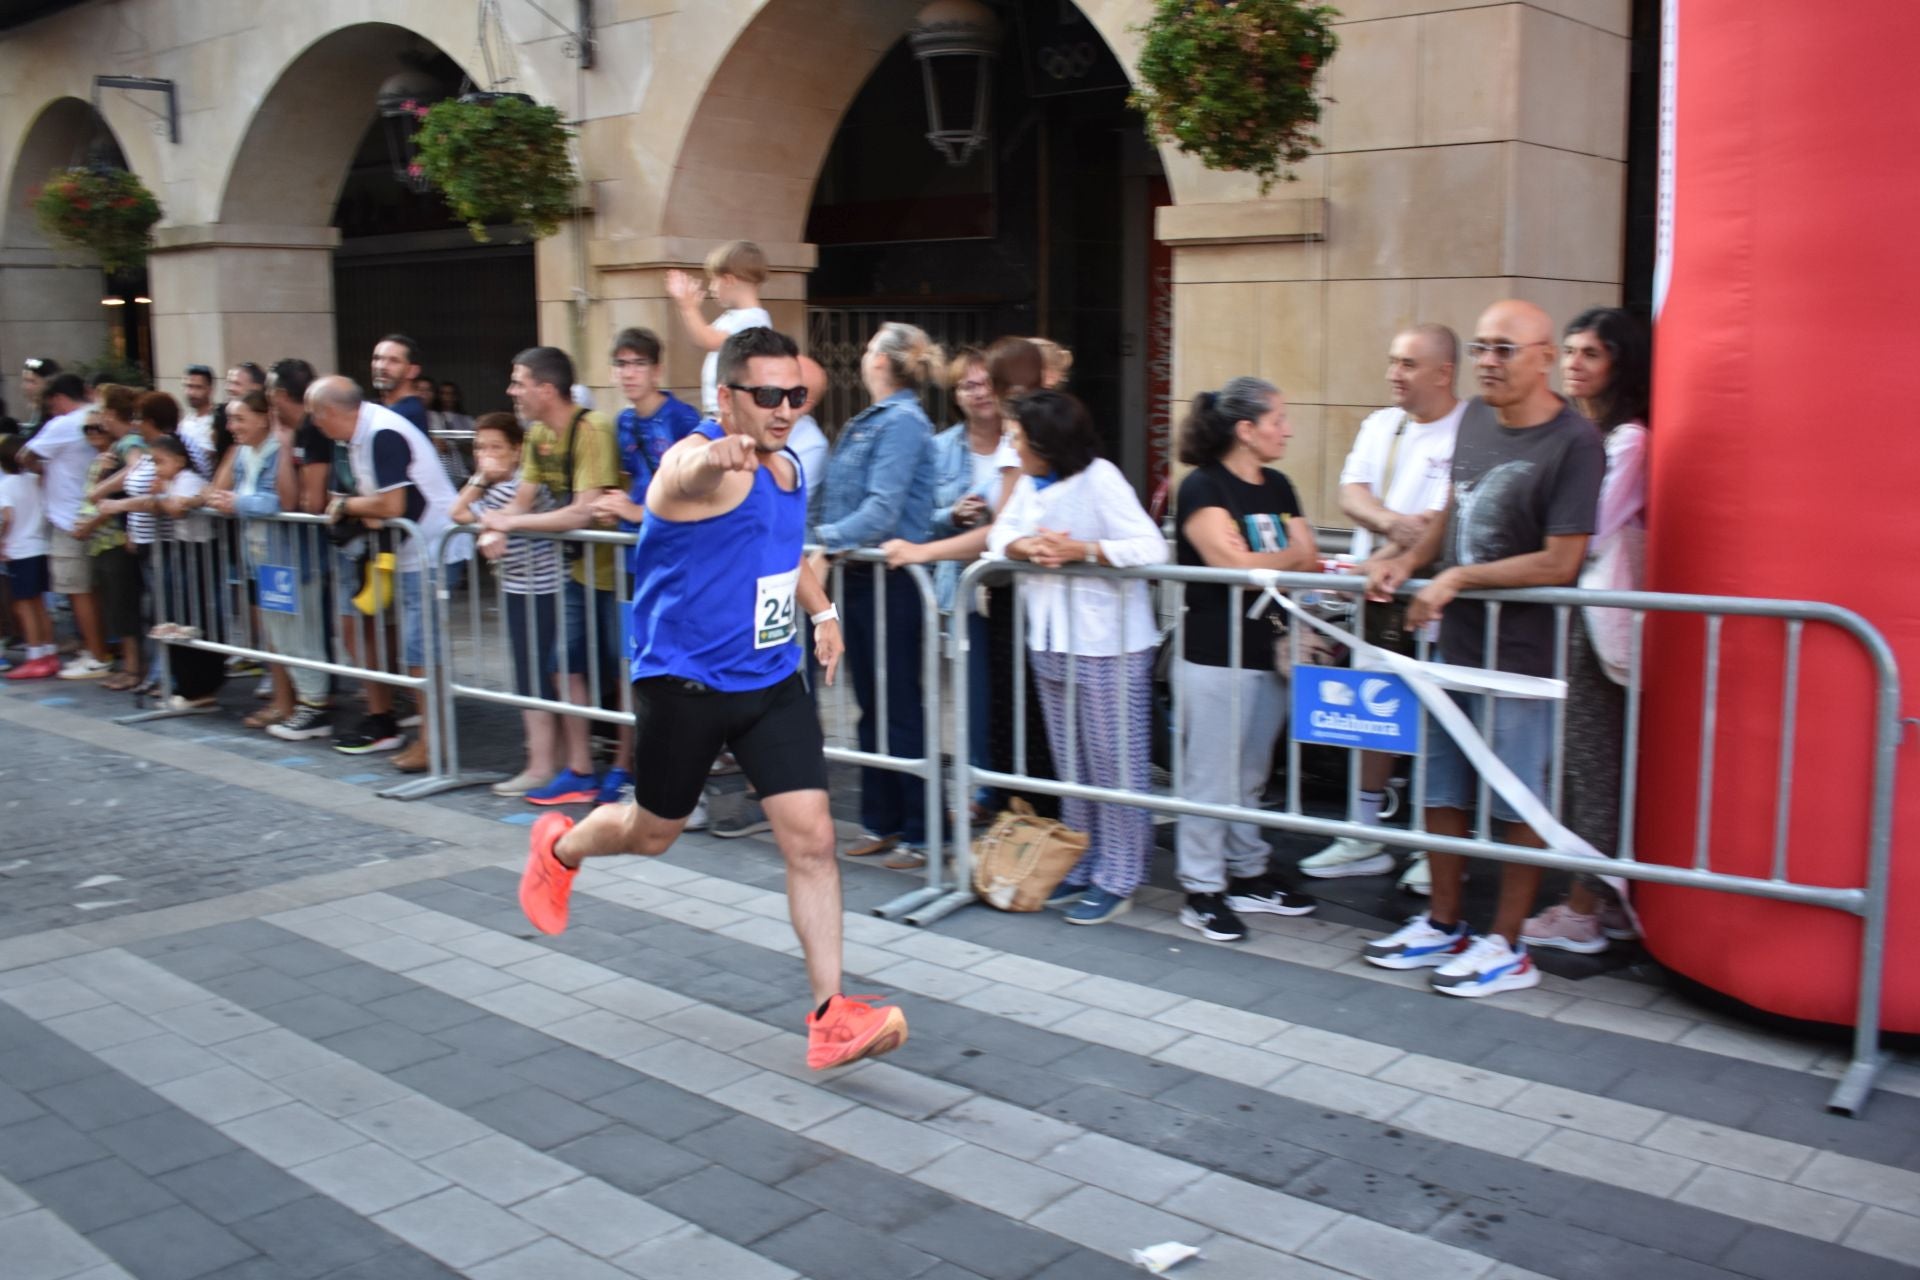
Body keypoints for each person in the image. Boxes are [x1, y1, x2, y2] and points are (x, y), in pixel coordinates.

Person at [517, 326, 905, 1073]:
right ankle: (560, 849)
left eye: (795, 394)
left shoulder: (787, 464)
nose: (785, 408)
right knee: (652, 831)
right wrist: (711, 454)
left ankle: (831, 1016)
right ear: (725, 398)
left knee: (814, 840)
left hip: (768, 682)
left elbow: (779, 549)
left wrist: (821, 614)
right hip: (685, 687)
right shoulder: (695, 461)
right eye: (766, 396)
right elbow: (678, 479)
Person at [1360, 299, 1605, 998]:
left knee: (1512, 802)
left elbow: (1560, 562)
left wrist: (1460, 576)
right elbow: (1451, 510)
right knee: (1441, 790)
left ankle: (1508, 945)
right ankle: (1443, 924)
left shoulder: (1574, 442)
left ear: (1544, 356)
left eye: (1504, 349)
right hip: (1456, 643)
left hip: (1523, 658)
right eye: (1481, 348)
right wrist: (1406, 563)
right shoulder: (1472, 420)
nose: (1490, 362)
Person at [987, 390, 1169, 924]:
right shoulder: (1029, 483)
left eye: (1019, 438)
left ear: (1048, 442)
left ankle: (1121, 875)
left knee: (1115, 764)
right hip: (1049, 639)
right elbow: (1000, 535)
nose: (1012, 447)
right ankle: (1083, 859)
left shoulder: (1101, 478)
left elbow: (1151, 546)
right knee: (1073, 767)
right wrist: (1027, 548)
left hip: (1107, 643)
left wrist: (1082, 551)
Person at [1302, 324, 1465, 894]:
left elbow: (1444, 523)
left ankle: (1433, 845)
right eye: (1393, 361)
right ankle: (1364, 833)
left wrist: (1398, 551)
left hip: (1439, 604)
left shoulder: (1472, 429)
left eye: (1408, 364)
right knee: (1377, 717)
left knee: (1439, 725)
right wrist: (1392, 527)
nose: (1394, 374)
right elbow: (1352, 493)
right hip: (1379, 601)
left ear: (1443, 373)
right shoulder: (1382, 425)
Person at [1521, 306, 1652, 955]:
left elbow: (1587, 528)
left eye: (1590, 353)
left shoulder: (1627, 441)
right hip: (1573, 611)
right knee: (1575, 761)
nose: (1574, 363)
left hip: (1602, 620)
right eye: (1569, 350)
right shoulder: (1576, 434)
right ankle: (1602, 899)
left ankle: (1584, 909)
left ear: (1619, 365)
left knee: (1592, 762)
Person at [1171, 378, 1322, 941]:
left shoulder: (1279, 485)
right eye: (1278, 419)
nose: (1287, 429)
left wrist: (1268, 559)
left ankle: (1249, 871)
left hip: (1272, 650)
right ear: (1246, 430)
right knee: (1210, 776)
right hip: (1215, 654)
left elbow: (1300, 559)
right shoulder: (1203, 487)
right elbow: (1230, 566)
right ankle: (1201, 888)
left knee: (1253, 772)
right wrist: (1289, 556)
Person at [811, 321, 939, 864]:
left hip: (892, 582)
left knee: (899, 706)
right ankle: (881, 820)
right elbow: (841, 504)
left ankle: (920, 830)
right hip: (862, 579)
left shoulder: (904, 423)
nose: (863, 357)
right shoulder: (876, 420)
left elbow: (881, 509)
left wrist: (825, 543)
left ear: (883, 362)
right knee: (871, 705)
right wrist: (813, 540)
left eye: (868, 350)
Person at [878, 345, 1020, 832]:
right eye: (967, 385)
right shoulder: (942, 448)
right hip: (965, 586)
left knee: (1019, 693)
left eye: (985, 383)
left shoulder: (1022, 440)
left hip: (1022, 585)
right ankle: (985, 789)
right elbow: (919, 520)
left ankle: (1019, 790)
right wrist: (950, 516)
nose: (978, 393)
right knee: (976, 693)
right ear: (955, 395)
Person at [490, 346, 632, 805]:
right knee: (564, 666)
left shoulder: (593, 429)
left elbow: (584, 511)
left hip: (620, 574)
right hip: (578, 571)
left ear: (546, 389)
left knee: (625, 673)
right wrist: (494, 525)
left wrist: (510, 525)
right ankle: (579, 769)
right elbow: (523, 499)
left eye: (518, 382)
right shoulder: (536, 436)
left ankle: (624, 769)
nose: (512, 391)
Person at [310, 375, 460, 769]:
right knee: (417, 652)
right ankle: (432, 739)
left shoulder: (380, 433)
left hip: (431, 551)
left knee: (419, 653)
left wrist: (345, 507)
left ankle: (436, 743)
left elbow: (391, 506)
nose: (315, 425)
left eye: (315, 415)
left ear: (328, 412)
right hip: (418, 551)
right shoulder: (366, 431)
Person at [452, 411, 567, 796]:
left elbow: (457, 511)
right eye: (479, 448)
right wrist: (482, 478)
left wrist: (479, 481)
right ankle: (551, 758)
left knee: (532, 678)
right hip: (527, 587)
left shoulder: (512, 490)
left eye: (496, 447)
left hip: (539, 589)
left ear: (518, 451)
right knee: (537, 674)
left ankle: (541, 766)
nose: (486, 455)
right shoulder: (510, 487)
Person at [206, 390, 296, 729]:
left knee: (288, 633)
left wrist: (237, 503)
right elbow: (237, 492)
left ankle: (300, 702)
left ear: (263, 418)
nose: (231, 426)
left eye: (239, 419)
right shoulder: (244, 454)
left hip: (282, 556)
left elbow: (279, 501)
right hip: (257, 554)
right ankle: (284, 701)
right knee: (272, 632)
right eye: (230, 419)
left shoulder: (278, 451)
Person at [262, 358, 336, 741]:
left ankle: (315, 705)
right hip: (293, 550)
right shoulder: (302, 429)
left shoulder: (308, 431)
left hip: (307, 551)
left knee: (305, 628)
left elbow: (300, 501)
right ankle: (313, 699)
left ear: (277, 394)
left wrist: (282, 443)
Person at [21, 373, 112, 678]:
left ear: (58, 399)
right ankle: (98, 650)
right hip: (92, 512)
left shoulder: (63, 424)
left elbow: (25, 455)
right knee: (91, 589)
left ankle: (97, 655)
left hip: (71, 518)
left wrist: (41, 470)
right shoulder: (97, 414)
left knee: (79, 591)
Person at [593, 327, 702, 581]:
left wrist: (636, 511)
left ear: (657, 370)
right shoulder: (623, 421)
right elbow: (632, 480)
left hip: (675, 553)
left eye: (639, 363)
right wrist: (612, 508)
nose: (628, 373)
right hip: (633, 552)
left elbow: (697, 493)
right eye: (621, 364)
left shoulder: (682, 419)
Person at [148, 435, 227, 708]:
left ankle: (199, 687)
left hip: (199, 553)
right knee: (178, 617)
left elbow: (177, 508)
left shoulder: (188, 479)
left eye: (160, 461)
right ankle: (186, 684)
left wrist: (155, 498)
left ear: (180, 460)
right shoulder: (173, 481)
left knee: (194, 618)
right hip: (184, 551)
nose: (156, 468)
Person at [76, 389, 144, 690]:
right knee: (117, 606)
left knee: (124, 605)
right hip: (107, 540)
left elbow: (137, 467)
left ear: (112, 414)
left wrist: (100, 490)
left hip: (118, 537)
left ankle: (134, 668)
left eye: (102, 412)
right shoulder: (117, 446)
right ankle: (130, 666)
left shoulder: (129, 442)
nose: (98, 419)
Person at [666, 240, 772, 418]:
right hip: (720, 408)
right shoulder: (735, 316)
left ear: (729, 280)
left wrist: (688, 307)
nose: (711, 288)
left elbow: (708, 339)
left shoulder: (754, 319)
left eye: (714, 281)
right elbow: (701, 335)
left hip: (731, 412)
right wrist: (686, 309)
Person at [0, 434, 56, 678]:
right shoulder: (35, 480)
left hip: (19, 549)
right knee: (39, 604)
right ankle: (48, 652)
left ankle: (35, 656)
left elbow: (7, 517)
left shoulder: (6, 485)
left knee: (24, 605)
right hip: (40, 546)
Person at [370, 336, 430, 431]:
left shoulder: (410, 413)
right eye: (377, 358)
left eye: (394, 361)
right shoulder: (374, 407)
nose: (381, 366)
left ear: (412, 371)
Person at [179, 365, 217, 457]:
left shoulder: (217, 420)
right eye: (189, 386)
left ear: (210, 390)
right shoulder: (186, 420)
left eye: (198, 387)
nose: (192, 393)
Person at [18, 357, 59, 437]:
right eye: (24, 381)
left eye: (32, 381)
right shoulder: (38, 411)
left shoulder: (57, 416)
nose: (25, 387)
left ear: (49, 384)